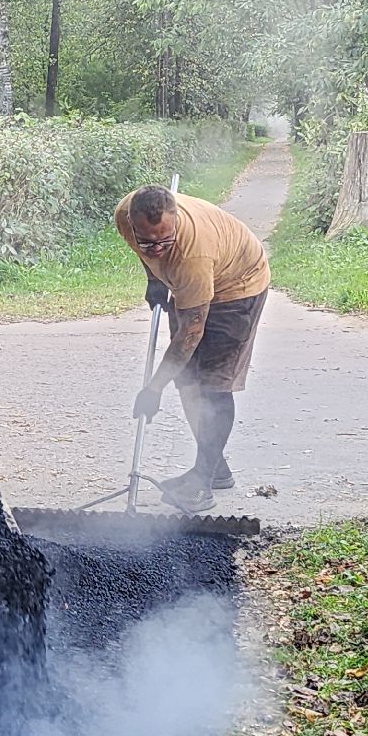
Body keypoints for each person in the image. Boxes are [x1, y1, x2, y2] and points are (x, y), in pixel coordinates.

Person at [115, 185, 270, 513]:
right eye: (148, 242)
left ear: (175, 224)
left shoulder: (191, 256)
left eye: (164, 241)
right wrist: (154, 279)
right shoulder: (125, 214)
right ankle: (215, 467)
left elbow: (190, 334)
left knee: (212, 383)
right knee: (187, 379)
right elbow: (146, 253)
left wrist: (153, 389)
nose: (155, 249)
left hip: (238, 284)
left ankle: (203, 479)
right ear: (133, 224)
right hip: (194, 282)